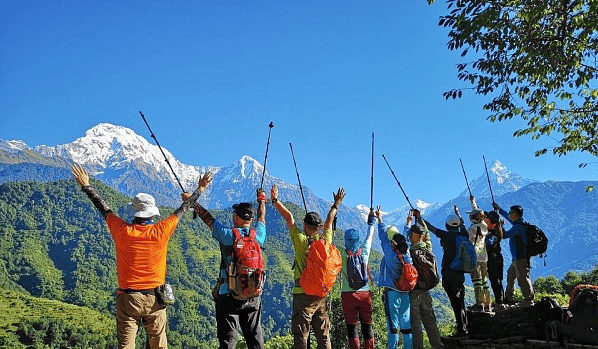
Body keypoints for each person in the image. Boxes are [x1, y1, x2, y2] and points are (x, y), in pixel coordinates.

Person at [71, 164, 214, 349]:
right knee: (159, 345)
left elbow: (104, 208)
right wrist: (200, 188)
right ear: (152, 213)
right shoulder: (161, 230)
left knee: (126, 346)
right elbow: (183, 209)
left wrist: (86, 186)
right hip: (155, 298)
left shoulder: (121, 230)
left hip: (128, 299)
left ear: (135, 212)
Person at [189, 185, 267, 349]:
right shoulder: (258, 236)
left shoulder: (228, 235)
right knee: (255, 340)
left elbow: (208, 219)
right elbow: (262, 219)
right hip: (252, 294)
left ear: (236, 217)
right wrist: (262, 200)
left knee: (228, 341)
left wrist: (192, 202)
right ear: (250, 219)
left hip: (227, 294)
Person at [271, 184, 345, 349]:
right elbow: (329, 220)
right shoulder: (325, 241)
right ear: (318, 229)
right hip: (321, 295)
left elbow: (289, 217)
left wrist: (275, 200)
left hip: (302, 294)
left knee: (301, 336)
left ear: (305, 225)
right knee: (324, 336)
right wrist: (336, 204)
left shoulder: (300, 240)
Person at [422, 205, 469, 338]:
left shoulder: (446, 236)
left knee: (455, 302)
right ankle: (465, 327)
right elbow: (463, 225)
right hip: (460, 272)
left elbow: (430, 228)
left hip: (448, 273)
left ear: (447, 225)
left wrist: (419, 217)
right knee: (461, 300)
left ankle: (462, 330)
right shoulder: (463, 235)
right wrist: (458, 214)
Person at [375, 206, 413, 349]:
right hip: (405, 292)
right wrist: (408, 224)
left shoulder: (390, 255)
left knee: (392, 324)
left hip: (392, 292)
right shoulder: (406, 253)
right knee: (406, 324)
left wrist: (379, 219)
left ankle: (393, 347)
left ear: (393, 242)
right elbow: (404, 238)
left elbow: (383, 238)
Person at [339, 209, 376, 349]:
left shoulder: (341, 253)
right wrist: (372, 220)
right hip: (365, 294)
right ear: (358, 240)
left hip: (348, 295)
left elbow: (327, 241)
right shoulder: (365, 251)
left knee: (352, 328)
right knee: (367, 326)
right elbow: (370, 235)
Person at [406, 210, 444, 349]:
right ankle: (438, 345)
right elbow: (427, 233)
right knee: (430, 320)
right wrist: (419, 218)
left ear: (417, 236)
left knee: (415, 322)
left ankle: (418, 347)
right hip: (426, 290)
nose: (410, 236)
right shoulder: (427, 248)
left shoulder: (410, 252)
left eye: (412, 234)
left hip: (415, 292)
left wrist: (410, 221)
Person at [492, 202, 534, 306]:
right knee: (511, 274)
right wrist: (500, 209)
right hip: (517, 258)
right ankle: (508, 297)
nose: (510, 214)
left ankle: (529, 300)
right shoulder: (518, 223)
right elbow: (508, 217)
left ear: (515, 215)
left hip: (520, 258)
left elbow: (505, 235)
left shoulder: (518, 227)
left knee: (522, 278)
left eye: (511, 213)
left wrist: (500, 225)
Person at [467, 196, 491, 313]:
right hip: (483, 254)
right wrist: (473, 203)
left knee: (477, 280)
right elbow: (478, 214)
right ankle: (488, 303)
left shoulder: (472, 229)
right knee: (484, 280)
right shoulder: (484, 226)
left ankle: (479, 302)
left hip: (475, 255)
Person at [484, 210, 505, 308]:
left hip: (492, 258)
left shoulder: (490, 233)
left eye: (487, 218)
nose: (485, 219)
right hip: (499, 257)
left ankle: (499, 301)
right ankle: (501, 299)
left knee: (494, 279)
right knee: (499, 279)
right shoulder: (499, 229)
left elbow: (489, 243)